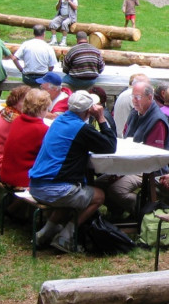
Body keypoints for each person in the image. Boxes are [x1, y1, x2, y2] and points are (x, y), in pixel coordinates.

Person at [28, 91, 115, 252]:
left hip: (36, 184)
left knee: (72, 195)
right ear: (89, 110)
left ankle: (45, 233)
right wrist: (101, 119)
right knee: (98, 195)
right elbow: (110, 146)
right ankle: (66, 236)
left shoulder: (59, 120)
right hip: (54, 189)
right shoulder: (80, 128)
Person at [96, 80, 169, 218]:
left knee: (117, 190)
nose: (134, 101)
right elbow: (126, 138)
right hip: (128, 163)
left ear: (150, 97)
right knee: (97, 184)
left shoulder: (157, 120)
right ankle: (116, 213)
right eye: (133, 97)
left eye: (138, 97)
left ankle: (147, 213)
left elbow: (152, 157)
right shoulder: (134, 113)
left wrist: (121, 172)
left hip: (148, 169)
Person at [1, 88, 50, 188]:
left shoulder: (17, 120)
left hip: (6, 173)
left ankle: (14, 204)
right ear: (42, 109)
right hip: (24, 179)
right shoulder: (42, 129)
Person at [0, 85, 30, 184]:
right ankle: (16, 199)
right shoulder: (16, 119)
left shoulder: (3, 112)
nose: (28, 106)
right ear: (15, 102)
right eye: (25, 102)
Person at [112, 72, 150, 138]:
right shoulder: (134, 95)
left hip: (121, 133)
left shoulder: (127, 93)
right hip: (125, 136)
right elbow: (144, 116)